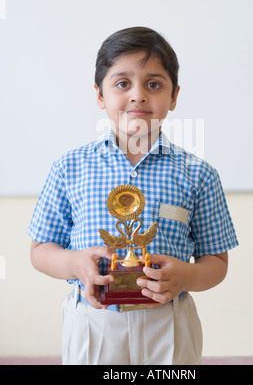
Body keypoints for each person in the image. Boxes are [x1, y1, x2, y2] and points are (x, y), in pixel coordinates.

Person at [27, 26, 238, 365]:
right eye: (122, 83)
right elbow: (40, 250)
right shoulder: (69, 168)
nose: (138, 95)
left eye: (153, 84)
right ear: (100, 95)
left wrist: (186, 276)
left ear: (174, 96)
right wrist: (74, 263)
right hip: (94, 323)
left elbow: (217, 261)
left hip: (168, 321)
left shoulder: (198, 173)